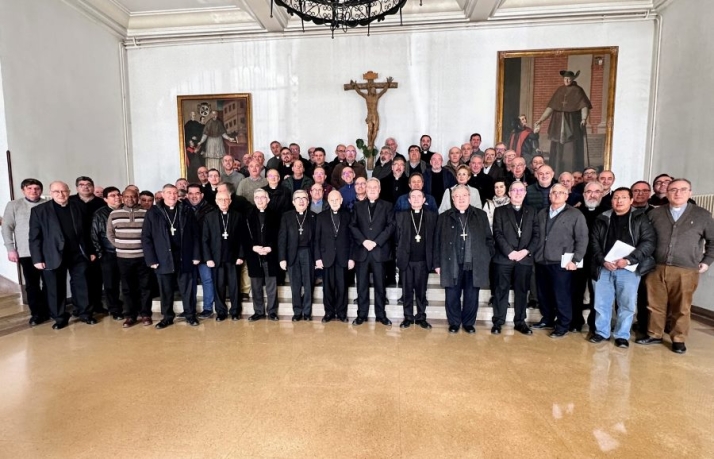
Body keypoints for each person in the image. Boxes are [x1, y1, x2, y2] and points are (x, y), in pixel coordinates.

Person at [637, 179, 714, 354]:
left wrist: (707, 261)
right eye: (673, 190)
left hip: (686, 269)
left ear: (690, 193)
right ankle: (655, 334)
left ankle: (678, 338)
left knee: (682, 306)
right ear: (667, 192)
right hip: (656, 267)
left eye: (682, 189)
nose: (677, 193)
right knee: (655, 304)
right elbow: (645, 238)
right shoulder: (655, 214)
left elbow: (713, 241)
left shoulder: (702, 215)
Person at [589, 187, 656, 348]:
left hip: (628, 269)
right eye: (616, 198)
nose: (619, 201)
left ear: (631, 200)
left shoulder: (640, 218)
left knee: (626, 303)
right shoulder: (602, 218)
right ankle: (601, 332)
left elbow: (648, 242)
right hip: (604, 267)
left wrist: (629, 260)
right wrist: (602, 260)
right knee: (601, 303)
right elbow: (594, 243)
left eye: (623, 197)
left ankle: (622, 335)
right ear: (611, 200)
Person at [29, 181, 96, 329]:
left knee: (82, 284)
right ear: (51, 193)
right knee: (55, 288)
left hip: (78, 253)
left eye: (64, 191)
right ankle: (60, 318)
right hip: (52, 254)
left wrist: (91, 251)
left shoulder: (79, 207)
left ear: (69, 191)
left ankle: (85, 313)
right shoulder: (39, 211)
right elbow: (34, 237)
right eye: (57, 192)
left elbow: (87, 232)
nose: (61, 194)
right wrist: (37, 258)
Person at [531, 184, 589, 338]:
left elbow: (582, 239)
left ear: (566, 196)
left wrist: (575, 260)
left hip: (562, 262)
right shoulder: (542, 213)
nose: (557, 195)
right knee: (544, 294)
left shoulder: (575, 214)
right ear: (549, 196)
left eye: (561, 193)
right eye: (554, 192)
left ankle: (563, 324)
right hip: (541, 260)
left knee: (561, 295)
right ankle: (547, 319)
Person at [435, 185, 494, 333]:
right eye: (457, 197)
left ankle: (468, 323)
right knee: (452, 294)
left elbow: (489, 239)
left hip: (474, 263)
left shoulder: (480, 215)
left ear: (469, 197)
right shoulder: (444, 217)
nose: (461, 199)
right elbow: (436, 242)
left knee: (472, 295)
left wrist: (485, 257)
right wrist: (437, 263)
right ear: (452, 199)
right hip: (451, 262)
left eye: (464, 196)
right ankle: (454, 322)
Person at [141, 184, 201, 329]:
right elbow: (146, 237)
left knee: (187, 289)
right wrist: (151, 259)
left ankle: (190, 315)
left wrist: (196, 255)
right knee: (165, 290)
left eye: (175, 193)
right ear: (163, 194)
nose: (172, 196)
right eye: (169, 193)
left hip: (184, 256)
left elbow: (195, 235)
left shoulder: (186, 210)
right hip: (162, 258)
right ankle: (167, 317)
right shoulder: (153, 212)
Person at [492, 181, 540, 335]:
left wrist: (525, 251)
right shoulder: (500, 211)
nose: (518, 193)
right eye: (514, 190)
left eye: (521, 190)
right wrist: (510, 252)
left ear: (525, 193)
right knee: (501, 290)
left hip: (524, 259)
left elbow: (536, 235)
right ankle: (498, 321)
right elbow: (497, 234)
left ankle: (520, 322)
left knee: (521, 291)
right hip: (504, 258)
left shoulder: (532, 211)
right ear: (509, 193)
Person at [2, 178, 49, 326]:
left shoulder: (47, 205)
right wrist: (11, 249)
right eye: (29, 188)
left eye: (36, 188)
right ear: (23, 190)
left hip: (47, 252)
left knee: (49, 283)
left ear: (41, 190)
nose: (33, 191)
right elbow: (6, 228)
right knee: (32, 284)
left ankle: (50, 310)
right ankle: (36, 313)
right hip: (26, 252)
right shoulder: (14, 205)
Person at [350, 178, 395, 326]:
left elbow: (391, 226)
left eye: (375, 187)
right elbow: (353, 226)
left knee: (380, 286)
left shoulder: (388, 206)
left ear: (380, 189)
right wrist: (364, 241)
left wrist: (376, 242)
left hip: (379, 251)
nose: (372, 190)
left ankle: (381, 315)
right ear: (365, 189)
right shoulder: (358, 206)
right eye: (369, 187)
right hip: (362, 252)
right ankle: (361, 315)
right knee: (361, 286)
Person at [107, 188, 153, 327]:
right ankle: (130, 316)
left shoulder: (146, 213)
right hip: (123, 257)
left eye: (133, 197)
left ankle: (145, 314)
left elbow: (151, 234)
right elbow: (110, 234)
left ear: (137, 197)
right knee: (127, 288)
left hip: (143, 257)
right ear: (122, 198)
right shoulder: (114, 214)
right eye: (127, 196)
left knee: (145, 287)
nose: (130, 199)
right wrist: (120, 245)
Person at [534, 70, 593, 174]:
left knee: (571, 149)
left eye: (569, 79)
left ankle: (572, 173)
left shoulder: (578, 90)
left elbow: (584, 106)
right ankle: (556, 172)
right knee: (557, 149)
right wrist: (541, 119)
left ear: (573, 79)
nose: (567, 80)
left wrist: (584, 118)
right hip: (558, 123)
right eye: (565, 79)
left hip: (572, 122)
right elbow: (551, 107)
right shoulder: (560, 90)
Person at [395, 189, 437, 329]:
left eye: (419, 196)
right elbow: (396, 238)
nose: (416, 199)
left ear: (425, 200)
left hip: (423, 261)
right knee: (406, 291)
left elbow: (435, 239)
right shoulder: (401, 216)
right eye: (413, 196)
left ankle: (420, 317)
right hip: (406, 260)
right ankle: (407, 317)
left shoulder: (431, 216)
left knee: (421, 291)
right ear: (409, 200)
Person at [202, 190, 245, 322]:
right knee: (218, 285)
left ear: (230, 201)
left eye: (226, 199)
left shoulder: (237, 216)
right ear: (216, 201)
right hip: (216, 258)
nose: (224, 202)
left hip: (233, 258)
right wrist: (208, 258)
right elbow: (205, 239)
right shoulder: (209, 217)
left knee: (234, 286)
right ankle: (221, 311)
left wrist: (241, 256)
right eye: (220, 200)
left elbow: (242, 239)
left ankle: (235, 311)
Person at [315, 191, 354, 323]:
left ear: (341, 200)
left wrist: (351, 258)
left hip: (343, 257)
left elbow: (353, 239)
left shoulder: (348, 216)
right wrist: (318, 258)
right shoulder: (321, 217)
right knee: (327, 287)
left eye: (337, 199)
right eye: (332, 200)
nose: (335, 202)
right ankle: (329, 312)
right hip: (327, 257)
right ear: (328, 201)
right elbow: (317, 240)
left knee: (342, 287)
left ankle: (342, 313)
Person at [244, 189, 281, 322]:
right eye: (257, 197)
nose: (260, 200)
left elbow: (279, 235)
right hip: (254, 255)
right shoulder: (248, 215)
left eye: (263, 197)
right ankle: (258, 311)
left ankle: (272, 311)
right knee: (256, 286)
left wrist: (270, 247)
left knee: (271, 285)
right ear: (254, 200)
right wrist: (254, 247)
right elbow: (245, 236)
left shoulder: (275, 215)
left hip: (270, 254)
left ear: (268, 200)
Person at [279, 190, 317, 321]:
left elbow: (317, 240)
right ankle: (297, 311)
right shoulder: (287, 216)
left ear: (308, 201)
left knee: (308, 284)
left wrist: (317, 258)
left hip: (308, 253)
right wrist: (282, 258)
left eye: (304, 198)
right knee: (295, 285)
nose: (301, 200)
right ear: (293, 202)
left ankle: (307, 312)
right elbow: (282, 238)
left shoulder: (313, 216)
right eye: (298, 198)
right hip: (292, 254)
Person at [70, 176, 106, 315]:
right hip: (77, 246)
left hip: (97, 245)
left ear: (93, 186)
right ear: (77, 187)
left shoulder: (101, 203)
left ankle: (97, 304)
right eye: (82, 184)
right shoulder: (71, 202)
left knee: (97, 277)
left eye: (88, 184)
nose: (85, 187)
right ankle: (79, 307)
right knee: (78, 278)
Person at [90, 187, 124, 321]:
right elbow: (94, 235)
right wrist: (100, 254)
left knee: (127, 282)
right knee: (111, 284)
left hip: (126, 253)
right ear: (105, 199)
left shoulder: (126, 211)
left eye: (118, 194)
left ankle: (130, 307)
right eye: (112, 195)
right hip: (108, 254)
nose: (116, 197)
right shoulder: (100, 214)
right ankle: (114, 309)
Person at [185, 184, 216, 318]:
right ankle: (189, 308)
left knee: (207, 280)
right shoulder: (182, 209)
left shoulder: (210, 209)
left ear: (202, 195)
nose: (194, 196)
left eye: (197, 193)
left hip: (205, 252)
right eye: (190, 193)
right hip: (188, 252)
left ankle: (207, 308)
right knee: (189, 281)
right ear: (187, 195)